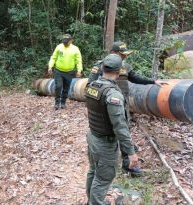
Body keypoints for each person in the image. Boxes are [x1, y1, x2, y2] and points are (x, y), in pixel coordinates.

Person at [88, 41, 167, 176]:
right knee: (108, 133)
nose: (124, 57)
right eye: (121, 54)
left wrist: (153, 81)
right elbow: (91, 87)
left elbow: (135, 77)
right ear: (113, 53)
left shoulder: (124, 66)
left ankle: (128, 164)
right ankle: (103, 164)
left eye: (125, 55)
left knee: (124, 131)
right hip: (106, 107)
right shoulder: (101, 66)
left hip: (122, 106)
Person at [85, 54, 138, 205]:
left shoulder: (92, 86)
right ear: (119, 71)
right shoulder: (112, 94)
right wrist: (130, 152)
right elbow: (120, 127)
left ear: (102, 68)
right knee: (104, 177)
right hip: (104, 143)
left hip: (93, 136)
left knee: (94, 171)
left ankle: (91, 200)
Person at [48, 34, 83, 110]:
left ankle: (63, 103)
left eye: (66, 42)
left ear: (71, 41)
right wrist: (50, 66)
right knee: (58, 86)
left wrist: (79, 70)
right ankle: (57, 103)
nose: (65, 43)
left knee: (66, 88)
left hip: (69, 72)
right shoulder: (59, 47)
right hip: (58, 71)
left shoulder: (75, 49)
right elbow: (53, 57)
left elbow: (78, 61)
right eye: (64, 41)